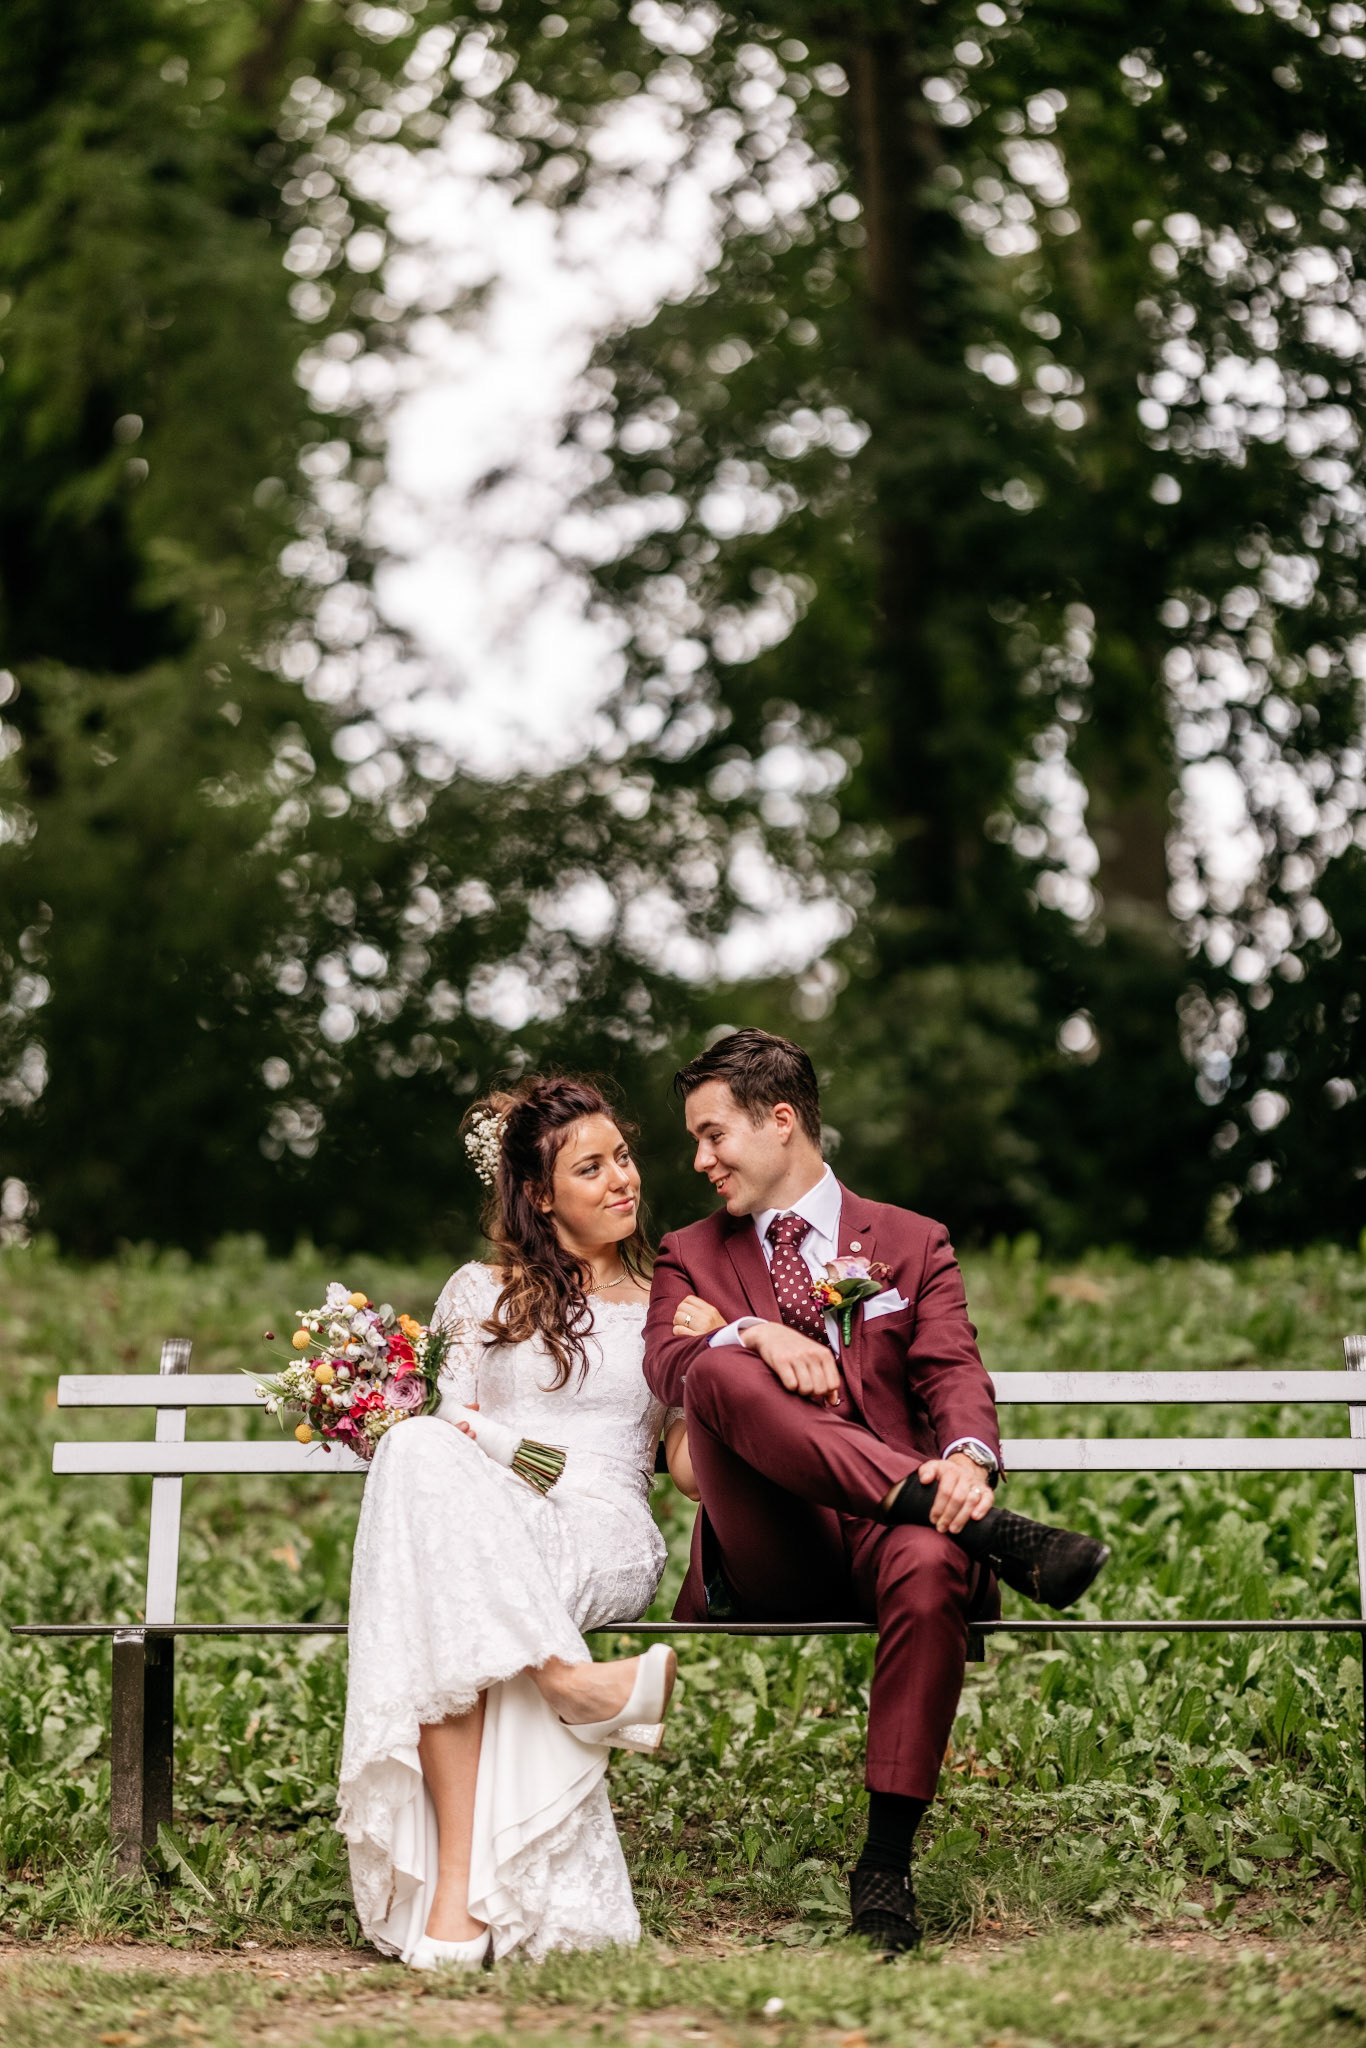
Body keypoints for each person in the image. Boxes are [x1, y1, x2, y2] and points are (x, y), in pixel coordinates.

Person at [643, 1028, 1108, 1955]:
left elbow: (951, 1372)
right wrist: (753, 1331)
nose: (699, 1161)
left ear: (781, 1121)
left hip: (897, 1542)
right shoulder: (689, 1253)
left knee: (933, 1559)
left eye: (713, 1135)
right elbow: (666, 1360)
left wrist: (967, 1461)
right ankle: (990, 1534)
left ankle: (886, 1865)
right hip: (777, 1542)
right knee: (713, 1368)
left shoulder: (910, 1241)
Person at [337, 1076, 698, 1970]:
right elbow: (448, 1428)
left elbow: (690, 1471)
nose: (622, 1179)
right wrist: (517, 1464)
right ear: (539, 1196)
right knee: (419, 1463)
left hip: (606, 1530)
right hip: (494, 1521)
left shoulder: (670, 1299)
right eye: (591, 1168)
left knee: (446, 1577)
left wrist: (726, 1356)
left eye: (622, 1157)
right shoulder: (478, 1292)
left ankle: (453, 1899)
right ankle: (567, 1682)